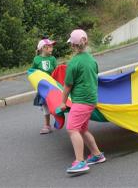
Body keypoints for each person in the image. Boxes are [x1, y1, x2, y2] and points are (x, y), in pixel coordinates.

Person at [59, 29, 105, 175]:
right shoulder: (92, 60)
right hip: (91, 100)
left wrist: (62, 102)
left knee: (72, 129)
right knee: (82, 129)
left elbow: (67, 85)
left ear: (72, 46)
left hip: (81, 102)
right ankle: (97, 154)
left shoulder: (73, 63)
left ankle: (80, 162)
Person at [32, 38, 57, 134]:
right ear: (43, 48)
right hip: (42, 87)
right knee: (45, 106)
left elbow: (56, 71)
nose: (52, 48)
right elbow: (33, 72)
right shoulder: (36, 59)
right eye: (49, 46)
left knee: (54, 104)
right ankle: (47, 125)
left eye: (52, 46)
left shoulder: (53, 59)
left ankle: (57, 119)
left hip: (52, 86)